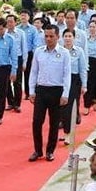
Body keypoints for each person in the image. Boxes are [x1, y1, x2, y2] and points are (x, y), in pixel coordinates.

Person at [28, 25, 71, 162]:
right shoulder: (39, 52)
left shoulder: (64, 53)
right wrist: (31, 91)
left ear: (58, 37)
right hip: (41, 90)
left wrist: (65, 93)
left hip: (56, 91)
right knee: (36, 121)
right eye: (46, 36)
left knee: (54, 123)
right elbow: (33, 72)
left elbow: (67, 75)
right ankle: (38, 150)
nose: (48, 39)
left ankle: (50, 151)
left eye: (51, 36)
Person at [60, 28, 88, 142]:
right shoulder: (59, 51)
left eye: (70, 36)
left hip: (74, 81)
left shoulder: (79, 51)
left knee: (70, 107)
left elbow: (83, 69)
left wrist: (84, 85)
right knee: (61, 108)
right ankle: (66, 131)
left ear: (74, 38)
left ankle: (69, 133)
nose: (67, 38)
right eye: (65, 36)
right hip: (60, 81)